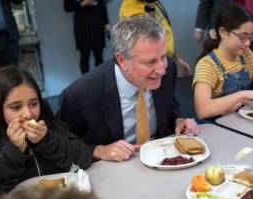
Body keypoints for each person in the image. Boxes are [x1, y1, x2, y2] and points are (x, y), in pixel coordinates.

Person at [57, 16, 199, 162]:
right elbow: (62, 146)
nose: (162, 70)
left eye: (163, 57)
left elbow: (169, 103)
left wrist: (179, 120)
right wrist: (100, 150)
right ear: (122, 60)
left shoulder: (169, 70)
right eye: (150, 62)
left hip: (161, 157)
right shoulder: (79, 95)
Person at [0, 66, 93, 199]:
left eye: (34, 104)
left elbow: (84, 157)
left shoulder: (50, 126)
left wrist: (46, 141)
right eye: (16, 107)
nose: (28, 114)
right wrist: (14, 150)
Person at [192, 5, 253, 121]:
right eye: (243, 37)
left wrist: (242, 100)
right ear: (223, 32)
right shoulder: (207, 64)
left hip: (239, 119)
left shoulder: (246, 54)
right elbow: (203, 110)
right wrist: (243, 96)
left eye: (251, 36)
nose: (248, 43)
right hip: (214, 126)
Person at [119, 0, 191, 76]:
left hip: (166, 60)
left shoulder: (150, 3)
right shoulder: (130, 8)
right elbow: (149, 33)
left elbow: (164, 35)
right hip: (152, 67)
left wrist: (178, 59)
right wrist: (151, 7)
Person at [64, 0, 111, 74]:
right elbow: (67, 7)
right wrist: (83, 3)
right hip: (82, 23)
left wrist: (106, 22)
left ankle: (101, 79)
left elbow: (102, 4)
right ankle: (86, 82)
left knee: (99, 55)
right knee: (84, 55)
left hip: (97, 20)